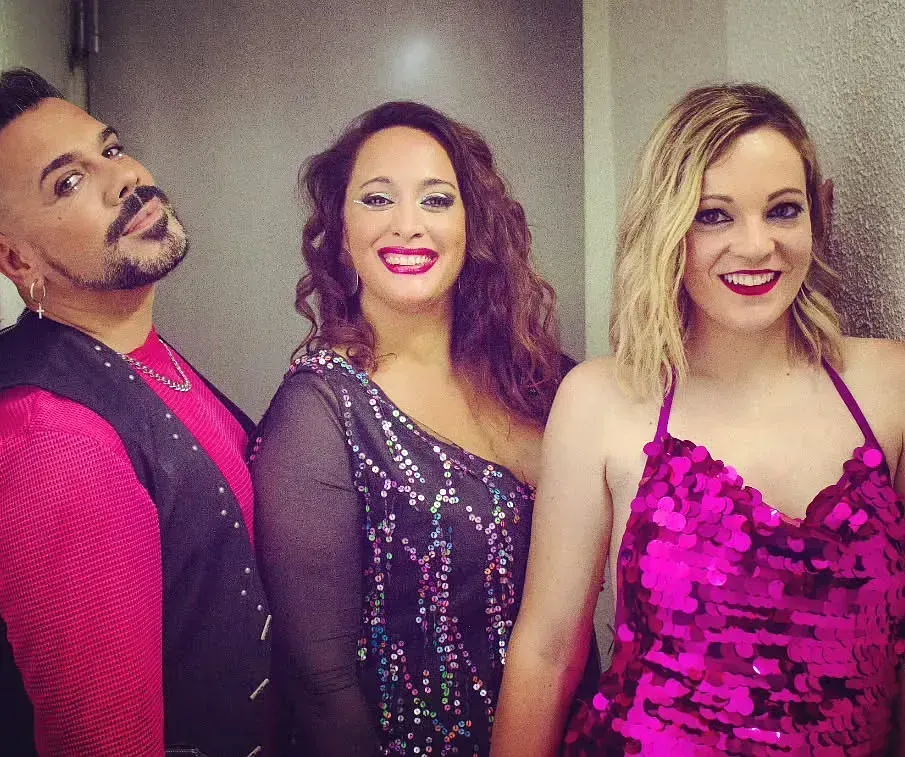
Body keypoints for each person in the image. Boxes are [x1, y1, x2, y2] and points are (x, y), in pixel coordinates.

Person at [491, 83, 905, 756]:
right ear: (667, 228)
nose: (756, 245)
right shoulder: (599, 401)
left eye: (783, 210)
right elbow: (547, 652)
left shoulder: (891, 387)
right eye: (714, 216)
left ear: (816, 215)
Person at [250, 100, 596, 755]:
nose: (407, 225)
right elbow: (321, 687)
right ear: (341, 229)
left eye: (436, 200)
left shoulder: (542, 378)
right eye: (377, 199)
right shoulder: (320, 409)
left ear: (472, 225)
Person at [0, 68, 271, 756]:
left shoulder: (134, 347)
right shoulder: (56, 441)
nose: (123, 178)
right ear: (16, 258)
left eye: (112, 149)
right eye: (68, 182)